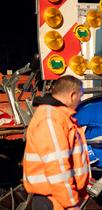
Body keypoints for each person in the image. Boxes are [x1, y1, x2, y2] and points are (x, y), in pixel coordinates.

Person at [23, 75, 90, 210]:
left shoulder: (58, 117)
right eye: (80, 96)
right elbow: (57, 168)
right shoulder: (51, 120)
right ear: (72, 95)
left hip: (57, 198)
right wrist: (70, 204)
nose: (80, 100)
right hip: (54, 201)